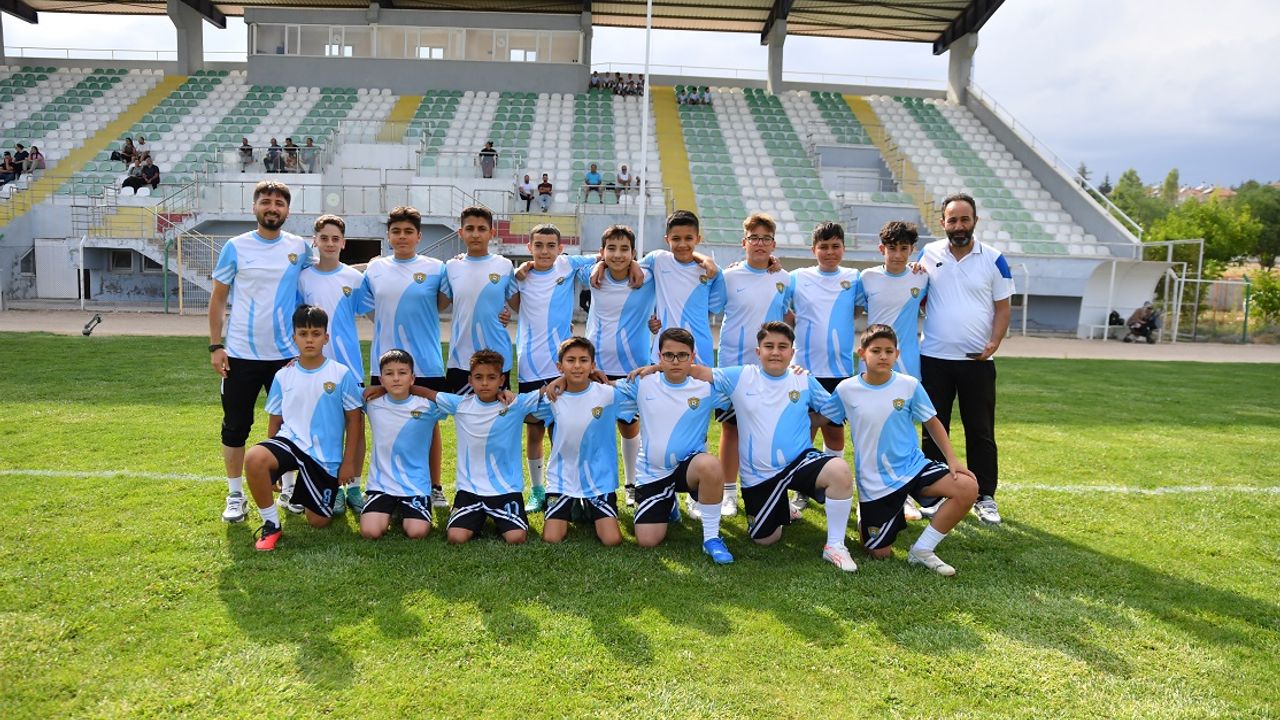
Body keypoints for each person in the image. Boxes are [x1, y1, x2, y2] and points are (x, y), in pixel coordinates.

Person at [691, 322, 858, 572]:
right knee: (765, 539)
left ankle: (835, 545)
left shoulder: (803, 380)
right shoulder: (741, 376)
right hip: (759, 476)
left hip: (799, 462)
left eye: (783, 346)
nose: (776, 352)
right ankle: (781, 506)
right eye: (769, 346)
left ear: (792, 352)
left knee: (840, 471)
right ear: (758, 352)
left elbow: (833, 410)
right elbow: (696, 372)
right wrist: (655, 368)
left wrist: (810, 420)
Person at [821, 325, 978, 575]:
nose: (883, 356)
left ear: (897, 354)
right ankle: (866, 516)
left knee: (967, 487)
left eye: (888, 351)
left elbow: (932, 422)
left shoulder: (909, 385)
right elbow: (823, 418)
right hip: (875, 483)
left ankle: (922, 550)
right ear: (862, 353)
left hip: (912, 467)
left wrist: (952, 459)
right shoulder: (846, 389)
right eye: (876, 351)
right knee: (879, 553)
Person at [209, 180, 312, 524]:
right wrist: (216, 345)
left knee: (290, 425)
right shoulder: (236, 247)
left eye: (279, 203)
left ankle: (289, 489)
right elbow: (218, 298)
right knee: (236, 425)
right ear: (254, 207)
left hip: (286, 357)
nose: (272, 208)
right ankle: (235, 494)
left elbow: (322, 277)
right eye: (266, 201)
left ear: (287, 210)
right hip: (240, 355)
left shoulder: (299, 247)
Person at [918, 192, 1013, 525]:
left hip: (977, 362)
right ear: (942, 222)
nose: (959, 226)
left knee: (980, 430)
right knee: (933, 428)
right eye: (952, 220)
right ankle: (932, 493)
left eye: (964, 219)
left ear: (975, 221)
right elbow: (914, 292)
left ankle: (985, 496)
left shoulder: (995, 259)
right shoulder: (928, 254)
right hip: (933, 358)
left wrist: (995, 342)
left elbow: (1003, 308)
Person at [509, 224, 613, 514]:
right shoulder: (519, 276)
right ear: (529, 247)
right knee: (534, 431)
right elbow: (510, 302)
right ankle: (538, 491)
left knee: (565, 430)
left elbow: (604, 256)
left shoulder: (567, 265)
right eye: (538, 245)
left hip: (563, 366)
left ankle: (569, 489)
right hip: (530, 365)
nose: (544, 251)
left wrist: (601, 264)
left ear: (560, 248)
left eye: (550, 245)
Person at [243, 305, 364, 551]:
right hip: (290, 442)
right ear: (294, 337)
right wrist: (274, 470)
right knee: (254, 457)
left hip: (324, 456)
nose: (310, 340)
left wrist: (348, 462)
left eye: (316, 334)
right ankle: (271, 524)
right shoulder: (283, 376)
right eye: (303, 334)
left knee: (319, 521)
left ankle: (311, 490)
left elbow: (355, 421)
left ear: (325, 338)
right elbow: (275, 421)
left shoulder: (340, 374)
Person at [355, 206, 448, 508]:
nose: (402, 236)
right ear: (388, 236)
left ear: (419, 236)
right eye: (396, 231)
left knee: (429, 426)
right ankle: (382, 487)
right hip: (384, 362)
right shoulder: (375, 269)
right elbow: (367, 307)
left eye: (409, 231)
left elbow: (443, 303)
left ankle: (434, 487)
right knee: (383, 424)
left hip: (426, 363)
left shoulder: (436, 268)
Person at [614, 328, 734, 563]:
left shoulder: (706, 387)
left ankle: (711, 538)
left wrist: (795, 373)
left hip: (689, 469)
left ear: (693, 357)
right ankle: (668, 504)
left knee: (710, 465)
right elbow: (600, 389)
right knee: (647, 540)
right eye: (669, 355)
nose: (676, 361)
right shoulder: (642, 383)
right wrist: (564, 381)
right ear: (659, 356)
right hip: (653, 473)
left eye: (682, 355)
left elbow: (747, 383)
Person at [708, 213, 792, 521]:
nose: (760, 244)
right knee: (731, 430)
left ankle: (771, 491)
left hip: (770, 371)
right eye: (754, 238)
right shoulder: (729, 277)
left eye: (765, 238)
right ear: (744, 242)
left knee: (769, 431)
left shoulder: (785, 279)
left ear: (773, 244)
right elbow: (709, 306)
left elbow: (790, 316)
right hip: (733, 368)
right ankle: (728, 493)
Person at [296, 214, 368, 514]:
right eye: (324, 238)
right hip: (316, 365)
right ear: (315, 241)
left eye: (335, 238)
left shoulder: (355, 279)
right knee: (327, 429)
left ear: (343, 243)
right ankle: (334, 487)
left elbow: (376, 313)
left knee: (356, 426)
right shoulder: (304, 278)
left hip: (349, 366)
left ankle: (355, 487)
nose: (329, 243)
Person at [580, 225, 655, 506]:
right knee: (595, 428)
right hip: (595, 367)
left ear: (634, 253)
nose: (618, 254)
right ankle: (594, 487)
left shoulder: (647, 277)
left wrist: (637, 264)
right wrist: (598, 263)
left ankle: (632, 484)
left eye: (625, 249)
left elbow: (670, 264)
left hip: (632, 369)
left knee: (629, 427)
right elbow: (566, 262)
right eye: (611, 248)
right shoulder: (592, 274)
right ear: (602, 252)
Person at [433, 350, 542, 545]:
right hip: (470, 490)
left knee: (516, 538)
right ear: (470, 380)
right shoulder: (460, 404)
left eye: (491, 377)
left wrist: (562, 381)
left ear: (501, 380)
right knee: (456, 537)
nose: (484, 383)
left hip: (506, 490)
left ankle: (499, 518)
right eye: (479, 377)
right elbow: (429, 394)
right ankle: (473, 516)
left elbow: (545, 392)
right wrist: (387, 389)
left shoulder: (514, 404)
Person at [532, 337, 623, 546]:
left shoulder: (609, 395)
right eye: (570, 360)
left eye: (583, 360)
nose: (577, 366)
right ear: (560, 366)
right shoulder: (553, 397)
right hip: (562, 478)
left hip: (598, 479)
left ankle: (588, 506)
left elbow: (642, 388)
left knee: (611, 540)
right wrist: (548, 386)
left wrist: (655, 367)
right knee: (552, 538)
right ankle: (573, 505)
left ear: (593, 365)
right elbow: (521, 406)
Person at [790, 221, 859, 476]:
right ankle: (803, 483)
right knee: (804, 428)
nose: (830, 252)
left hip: (839, 370)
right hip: (803, 370)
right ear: (813, 250)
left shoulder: (854, 277)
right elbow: (783, 307)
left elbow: (857, 309)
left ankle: (833, 477)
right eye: (824, 247)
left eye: (835, 246)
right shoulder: (797, 277)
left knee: (834, 430)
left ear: (844, 248)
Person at [360, 349, 444, 541]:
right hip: (381, 485)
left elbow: (464, 403)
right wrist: (297, 363)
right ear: (381, 380)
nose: (396, 378)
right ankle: (390, 507)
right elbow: (342, 390)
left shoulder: (428, 405)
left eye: (402, 373)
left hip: (415, 486)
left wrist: (500, 394)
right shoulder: (371, 402)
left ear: (412, 378)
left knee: (417, 532)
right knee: (370, 532)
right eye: (389, 374)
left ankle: (403, 508)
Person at [438, 205, 517, 400]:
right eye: (470, 228)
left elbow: (520, 304)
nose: (475, 234)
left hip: (497, 355)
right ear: (460, 233)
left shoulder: (505, 265)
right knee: (463, 412)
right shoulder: (451, 266)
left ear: (492, 233)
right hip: (461, 358)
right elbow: (438, 304)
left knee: (496, 412)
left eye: (482, 229)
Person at [639, 210, 725, 367]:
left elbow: (712, 310)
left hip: (699, 352)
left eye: (689, 238)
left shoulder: (713, 272)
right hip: (663, 351)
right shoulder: (657, 260)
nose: (682, 244)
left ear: (698, 239)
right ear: (667, 239)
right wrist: (601, 264)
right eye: (676, 239)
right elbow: (626, 267)